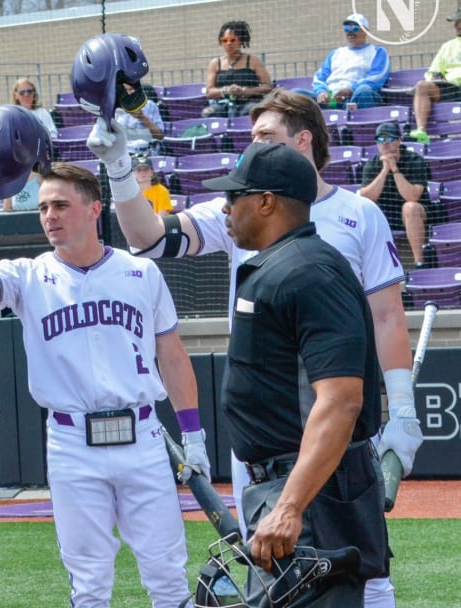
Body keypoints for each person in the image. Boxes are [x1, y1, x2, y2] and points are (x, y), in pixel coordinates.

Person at [94, 88, 418, 607]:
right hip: (266, 450)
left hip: (318, 439)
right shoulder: (243, 217)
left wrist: (401, 406)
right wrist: (117, 166)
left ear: (302, 142)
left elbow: (385, 318)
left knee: (349, 576)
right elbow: (147, 238)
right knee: (278, 582)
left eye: (265, 138)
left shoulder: (347, 225)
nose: (250, 150)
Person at [0, 162, 208, 606]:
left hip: (141, 437)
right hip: (71, 442)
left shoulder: (140, 272)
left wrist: (194, 434)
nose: (49, 215)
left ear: (94, 209)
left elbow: (174, 358)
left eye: (61, 205)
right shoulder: (26, 275)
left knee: (167, 575)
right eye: (44, 207)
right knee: (88, 583)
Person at [202, 142, 389, 604]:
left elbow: (342, 399)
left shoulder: (309, 271)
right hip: (291, 486)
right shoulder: (286, 264)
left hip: (310, 495)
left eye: (235, 196)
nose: (225, 207)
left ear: (267, 202)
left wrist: (289, 506)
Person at [359, 122, 438, 269]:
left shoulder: (415, 160)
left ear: (399, 140)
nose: (385, 144)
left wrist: (394, 169)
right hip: (387, 215)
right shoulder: (372, 164)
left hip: (418, 213)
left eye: (389, 139)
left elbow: (412, 197)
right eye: (380, 140)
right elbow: (365, 198)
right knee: (363, 210)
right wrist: (384, 171)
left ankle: (419, 263)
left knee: (410, 207)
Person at [294, 13, 390, 109]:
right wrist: (321, 91)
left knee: (364, 90)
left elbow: (376, 77)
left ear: (366, 31)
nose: (350, 32)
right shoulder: (335, 53)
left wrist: (351, 90)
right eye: (347, 29)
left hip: (354, 98)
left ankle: (361, 123)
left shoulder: (377, 52)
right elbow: (319, 77)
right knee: (295, 94)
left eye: (355, 28)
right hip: (331, 99)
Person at [407, 9, 461, 144]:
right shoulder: (448, 46)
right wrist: (436, 77)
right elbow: (432, 73)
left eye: (459, 21)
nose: (456, 25)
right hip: (451, 88)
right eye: (456, 22)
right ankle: (421, 132)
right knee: (422, 86)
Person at [202, 20, 274, 118]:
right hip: (223, 104)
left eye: (232, 40)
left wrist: (247, 91)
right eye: (225, 40)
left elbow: (268, 86)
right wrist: (226, 90)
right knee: (208, 113)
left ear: (241, 40)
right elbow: (209, 92)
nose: (228, 44)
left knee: (250, 111)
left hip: (248, 103)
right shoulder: (215, 63)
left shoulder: (253, 61)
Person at [112, 83, 164, 155]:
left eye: (131, 90)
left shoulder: (149, 105)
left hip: (143, 153)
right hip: (120, 153)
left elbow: (159, 135)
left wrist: (142, 117)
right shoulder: (115, 108)